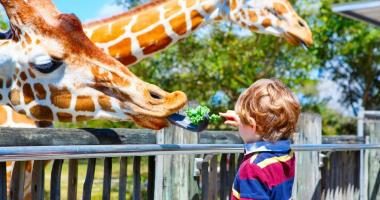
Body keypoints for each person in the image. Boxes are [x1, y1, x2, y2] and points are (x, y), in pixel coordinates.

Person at [220, 78, 300, 200]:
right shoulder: (286, 154)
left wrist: (246, 123)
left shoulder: (253, 168)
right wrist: (244, 122)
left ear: (252, 125)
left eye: (241, 118)